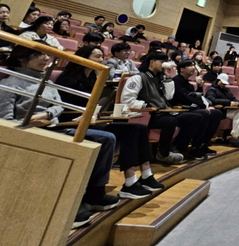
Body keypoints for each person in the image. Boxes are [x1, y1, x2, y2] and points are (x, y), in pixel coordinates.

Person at [0, 43, 119, 227]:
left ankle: (94, 194)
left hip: (52, 127)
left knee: (106, 138)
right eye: (39, 55)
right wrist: (30, 120)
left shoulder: (47, 81)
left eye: (47, 55)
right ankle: (66, 205)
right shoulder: (9, 84)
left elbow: (59, 105)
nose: (46, 59)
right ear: (22, 58)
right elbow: (5, 123)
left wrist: (46, 114)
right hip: (28, 133)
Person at [56, 46, 164, 199]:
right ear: (84, 58)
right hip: (72, 123)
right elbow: (63, 108)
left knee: (137, 128)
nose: (102, 60)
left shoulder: (94, 79)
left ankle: (140, 177)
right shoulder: (67, 79)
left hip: (91, 121)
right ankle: (122, 184)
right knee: (120, 134)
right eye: (97, 57)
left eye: (102, 57)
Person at [121, 52, 202, 164]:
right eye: (162, 62)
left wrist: (168, 78)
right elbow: (127, 100)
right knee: (170, 121)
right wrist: (147, 106)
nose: (164, 64)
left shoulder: (160, 78)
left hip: (164, 112)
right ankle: (163, 154)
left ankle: (178, 148)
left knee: (195, 117)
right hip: (148, 115)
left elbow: (168, 97)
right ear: (152, 62)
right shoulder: (138, 78)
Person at [171, 59, 222, 158]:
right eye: (190, 65)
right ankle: (195, 146)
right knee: (204, 113)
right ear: (182, 69)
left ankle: (203, 144)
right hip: (179, 110)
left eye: (194, 65)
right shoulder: (176, 80)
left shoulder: (189, 84)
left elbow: (195, 97)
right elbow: (184, 98)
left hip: (189, 108)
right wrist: (203, 106)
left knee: (217, 113)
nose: (194, 68)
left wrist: (199, 87)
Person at [205, 73, 239, 147]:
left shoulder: (226, 89)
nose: (224, 85)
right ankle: (235, 136)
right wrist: (228, 102)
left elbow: (233, 98)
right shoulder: (212, 89)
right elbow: (212, 100)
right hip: (222, 110)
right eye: (223, 83)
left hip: (230, 110)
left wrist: (237, 102)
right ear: (218, 80)